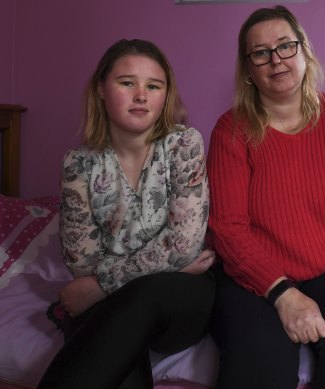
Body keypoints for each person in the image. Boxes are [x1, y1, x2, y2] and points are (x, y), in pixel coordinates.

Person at [206, 5, 325, 389]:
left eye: (285, 46)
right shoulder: (232, 130)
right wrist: (282, 294)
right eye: (260, 53)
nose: (275, 60)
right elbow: (227, 228)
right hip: (256, 280)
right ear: (247, 68)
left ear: (304, 52)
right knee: (260, 363)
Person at [37, 39, 215, 389]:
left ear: (166, 95)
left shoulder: (183, 145)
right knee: (98, 326)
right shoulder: (79, 163)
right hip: (117, 304)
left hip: (181, 298)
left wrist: (100, 285)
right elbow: (80, 263)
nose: (141, 95)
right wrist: (164, 260)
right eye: (127, 82)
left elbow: (182, 247)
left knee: (130, 298)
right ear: (101, 89)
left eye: (154, 85)